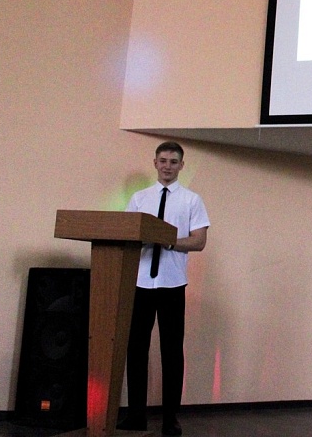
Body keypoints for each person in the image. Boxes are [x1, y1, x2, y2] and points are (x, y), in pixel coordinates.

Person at [119, 142, 210, 436]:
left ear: (181, 165)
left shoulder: (191, 200)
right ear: (155, 163)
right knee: (136, 348)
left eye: (173, 161)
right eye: (163, 160)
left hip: (172, 284)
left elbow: (199, 241)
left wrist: (168, 241)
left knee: (171, 351)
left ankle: (171, 417)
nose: (167, 166)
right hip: (140, 283)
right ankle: (136, 415)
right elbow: (126, 234)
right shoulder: (139, 198)